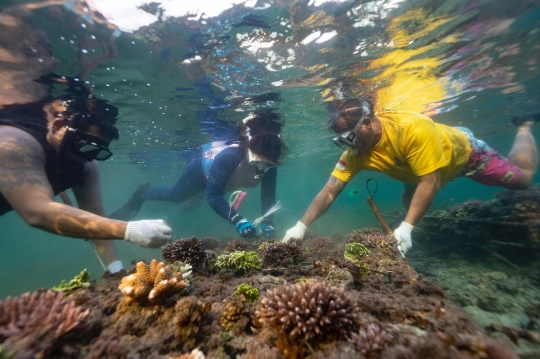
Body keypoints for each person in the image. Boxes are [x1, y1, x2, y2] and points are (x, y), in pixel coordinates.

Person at [282, 97, 539, 255]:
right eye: (341, 141)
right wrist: (301, 226)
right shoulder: (356, 152)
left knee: (523, 180)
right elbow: (330, 190)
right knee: (410, 202)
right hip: (414, 168)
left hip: (463, 155)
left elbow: (431, 181)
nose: (348, 145)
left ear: (368, 123)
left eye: (350, 137)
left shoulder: (412, 129)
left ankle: (524, 125)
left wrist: (406, 227)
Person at [0, 94, 174, 273]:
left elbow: (95, 215)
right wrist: (129, 230)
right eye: (86, 146)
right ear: (58, 125)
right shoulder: (14, 142)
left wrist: (116, 270)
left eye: (99, 153)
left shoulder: (87, 165)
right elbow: (37, 211)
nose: (88, 157)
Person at [112, 109, 286, 240]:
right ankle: (142, 194)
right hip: (201, 173)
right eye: (257, 163)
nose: (261, 169)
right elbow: (212, 194)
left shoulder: (270, 166)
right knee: (176, 196)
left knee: (210, 192)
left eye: (268, 165)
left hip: (224, 182)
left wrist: (267, 222)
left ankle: (197, 197)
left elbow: (268, 197)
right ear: (249, 152)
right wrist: (237, 220)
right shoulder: (229, 157)